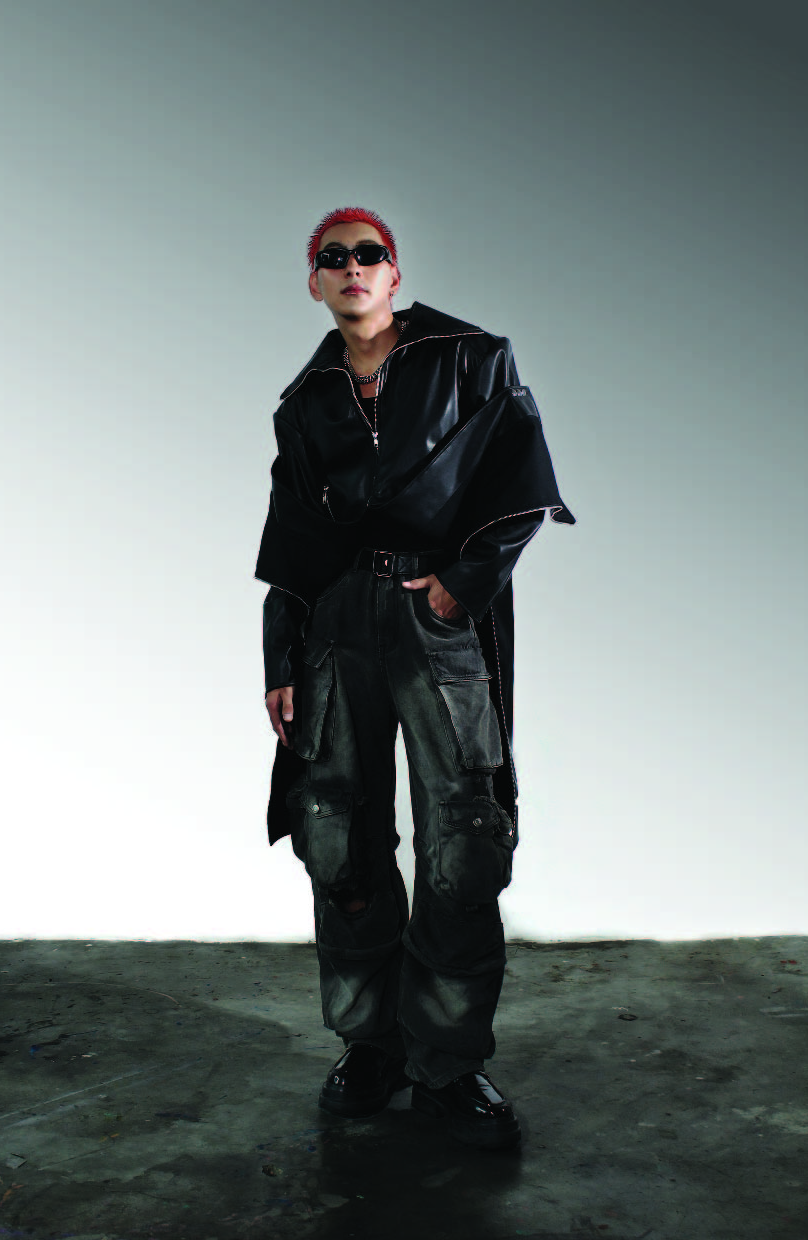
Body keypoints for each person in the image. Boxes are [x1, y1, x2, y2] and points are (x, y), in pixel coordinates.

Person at [255, 206, 574, 1149]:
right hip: (337, 625)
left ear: (394, 274)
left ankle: (448, 1063)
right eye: (333, 257)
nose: (352, 267)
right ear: (314, 282)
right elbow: (289, 545)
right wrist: (281, 661)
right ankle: (370, 1047)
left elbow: (522, 484)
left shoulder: (472, 359)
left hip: (433, 619)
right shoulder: (304, 402)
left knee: (463, 838)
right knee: (337, 835)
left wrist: (456, 589)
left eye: (370, 253)